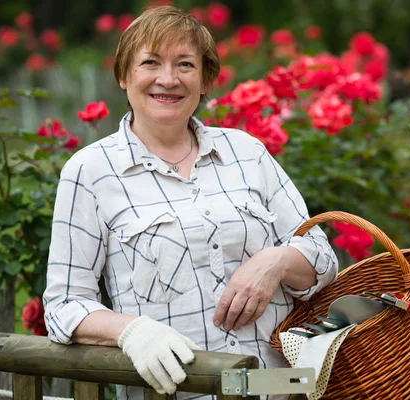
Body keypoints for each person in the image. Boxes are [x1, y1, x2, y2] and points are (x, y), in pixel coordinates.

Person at [43, 5, 338, 399]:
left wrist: (276, 262)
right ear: (122, 75)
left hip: (279, 390)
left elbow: (321, 258)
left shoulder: (247, 153)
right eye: (150, 62)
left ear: (205, 80)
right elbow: (64, 305)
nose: (168, 79)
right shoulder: (91, 171)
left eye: (185, 64)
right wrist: (131, 331)